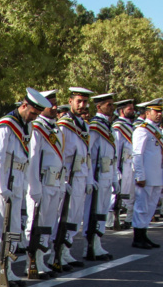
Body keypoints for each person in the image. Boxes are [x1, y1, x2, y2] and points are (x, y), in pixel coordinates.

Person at [0, 88, 48, 287]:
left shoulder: (25, 127)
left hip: (18, 181)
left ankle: (9, 268)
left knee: (13, 228)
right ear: (23, 106)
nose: (34, 117)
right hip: (4, 183)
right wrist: (0, 187)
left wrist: (33, 186)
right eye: (32, 113)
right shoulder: (5, 127)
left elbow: (28, 159)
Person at [25, 89, 64, 280]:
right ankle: (31, 262)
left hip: (54, 183)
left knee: (48, 225)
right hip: (41, 183)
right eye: (51, 104)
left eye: (56, 103)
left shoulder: (54, 128)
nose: (55, 107)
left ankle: (41, 258)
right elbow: (32, 160)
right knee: (36, 225)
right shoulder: (36, 129)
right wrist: (34, 188)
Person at [56, 87, 92, 267]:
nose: (82, 105)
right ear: (70, 102)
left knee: (75, 217)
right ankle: (58, 252)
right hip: (69, 176)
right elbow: (60, 155)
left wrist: (89, 178)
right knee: (65, 215)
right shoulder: (64, 125)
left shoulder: (84, 125)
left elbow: (88, 155)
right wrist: (62, 180)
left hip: (80, 175)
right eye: (79, 101)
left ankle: (67, 250)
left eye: (85, 101)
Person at [130, 99, 163, 249]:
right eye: (155, 111)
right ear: (147, 113)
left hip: (156, 175)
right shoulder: (142, 130)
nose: (159, 114)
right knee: (141, 207)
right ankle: (138, 237)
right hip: (146, 176)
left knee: (150, 207)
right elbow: (137, 154)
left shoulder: (157, 130)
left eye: (160, 111)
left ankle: (144, 234)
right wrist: (140, 175)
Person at [85, 92, 115, 261]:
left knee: (102, 211)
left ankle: (98, 242)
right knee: (93, 211)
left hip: (107, 173)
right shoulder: (95, 126)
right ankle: (90, 245)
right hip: (97, 174)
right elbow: (87, 153)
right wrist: (90, 177)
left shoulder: (108, 126)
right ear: (99, 107)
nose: (112, 108)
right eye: (108, 105)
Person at [111, 98, 135, 230]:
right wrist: (117, 168)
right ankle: (112, 220)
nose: (133, 111)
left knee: (131, 193)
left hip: (131, 165)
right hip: (123, 165)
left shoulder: (132, 126)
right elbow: (117, 148)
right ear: (122, 111)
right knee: (117, 194)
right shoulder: (118, 127)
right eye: (129, 109)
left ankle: (129, 219)